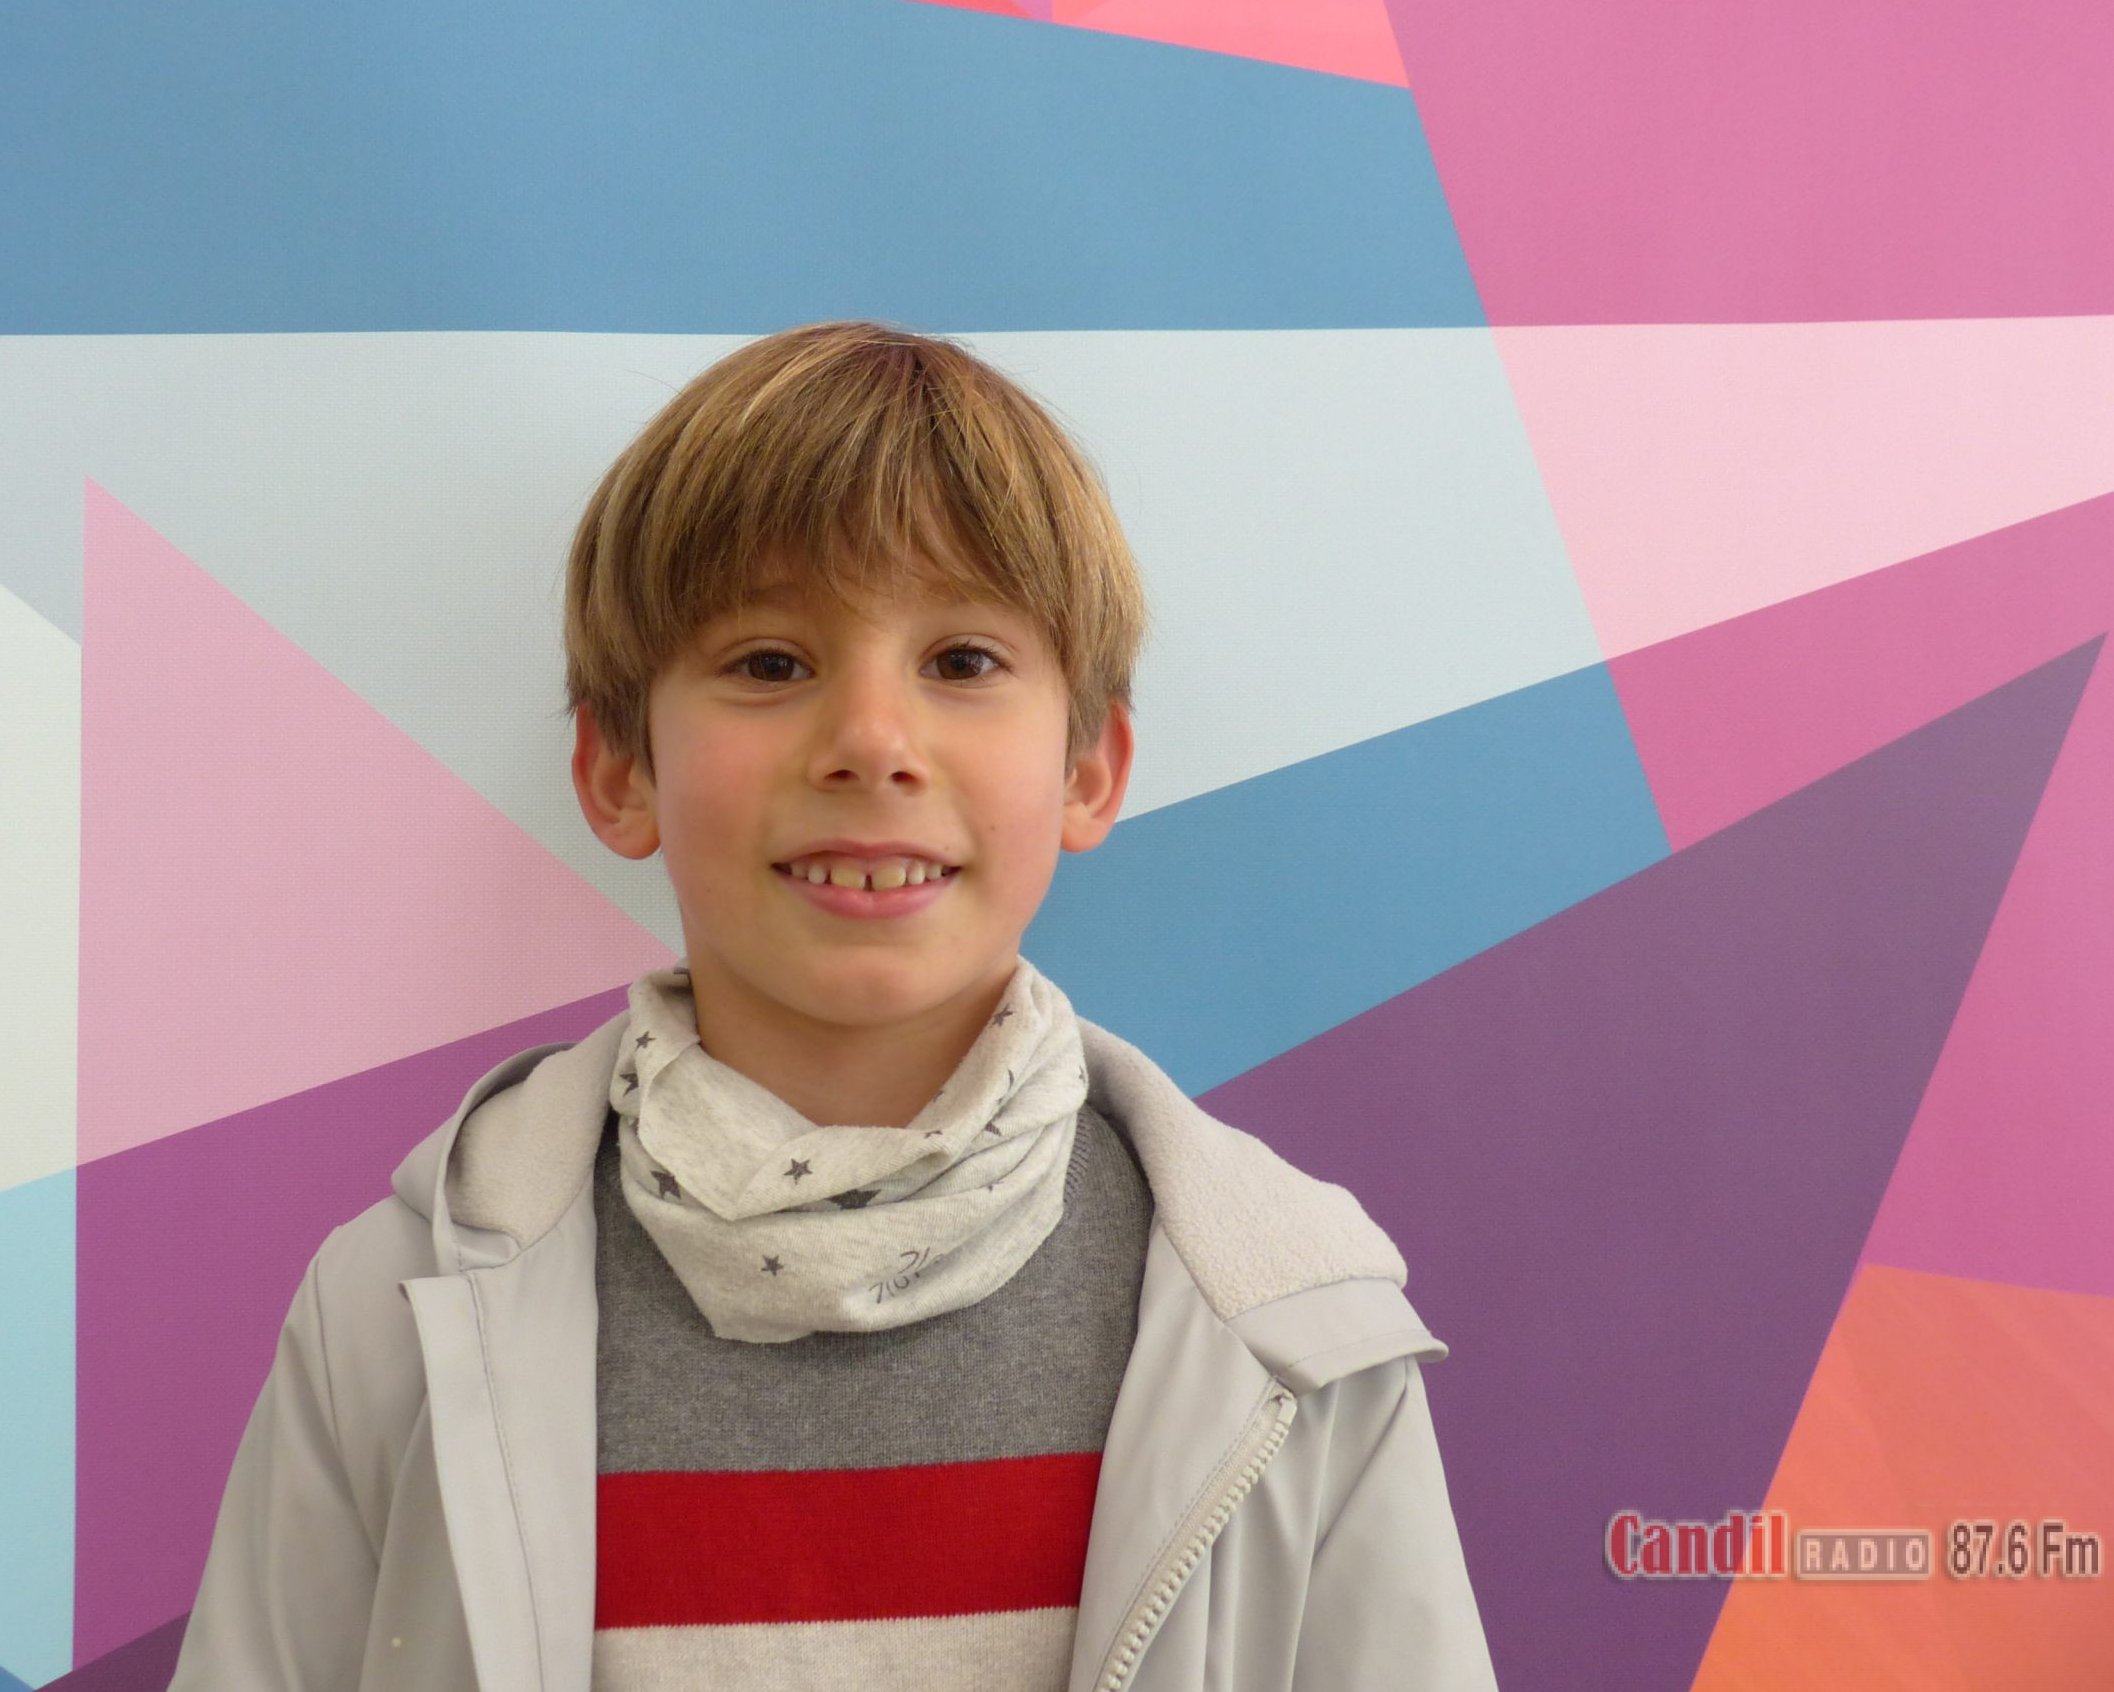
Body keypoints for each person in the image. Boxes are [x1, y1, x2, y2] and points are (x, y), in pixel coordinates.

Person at [169, 322, 1497, 1690]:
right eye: (769, 663)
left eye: (964, 662)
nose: (871, 742)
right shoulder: (390, 1316)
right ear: (620, 769)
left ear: (1090, 769)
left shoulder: (1297, 1328)